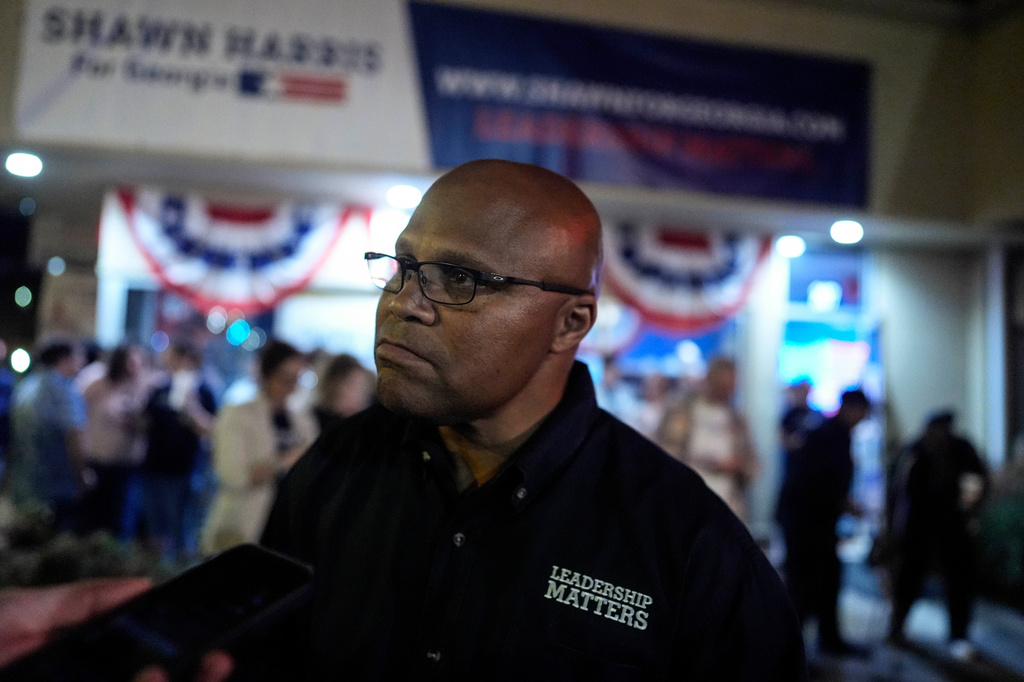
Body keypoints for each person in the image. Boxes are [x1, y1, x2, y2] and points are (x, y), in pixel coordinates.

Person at [258, 160, 806, 679]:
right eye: (404, 268)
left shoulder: (693, 550)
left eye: (457, 277)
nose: (404, 303)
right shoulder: (333, 470)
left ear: (570, 324)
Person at [884, 411, 989, 660]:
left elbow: (977, 481)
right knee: (909, 579)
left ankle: (958, 636)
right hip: (917, 529)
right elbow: (899, 490)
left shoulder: (961, 450)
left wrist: (970, 508)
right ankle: (897, 627)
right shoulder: (915, 451)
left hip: (953, 527)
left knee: (959, 583)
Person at [776, 388, 871, 656]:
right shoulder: (831, 434)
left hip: (809, 521)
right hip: (807, 524)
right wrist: (842, 504)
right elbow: (816, 482)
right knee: (806, 586)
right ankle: (792, 651)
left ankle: (820, 642)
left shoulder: (828, 432)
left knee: (823, 581)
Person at [200, 340, 317, 555]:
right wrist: (288, 460)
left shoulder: (302, 420)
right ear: (268, 373)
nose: (291, 386)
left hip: (290, 528)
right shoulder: (238, 413)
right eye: (286, 378)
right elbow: (233, 474)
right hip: (244, 526)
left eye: (297, 378)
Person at [656, 356, 760, 521]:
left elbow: (752, 464)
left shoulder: (737, 420)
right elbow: (663, 453)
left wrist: (738, 466)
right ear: (710, 380)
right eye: (721, 386)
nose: (726, 392)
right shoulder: (683, 411)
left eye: (730, 387)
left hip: (727, 504)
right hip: (687, 500)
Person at [141, 340, 217, 563]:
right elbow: (146, 422)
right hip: (153, 465)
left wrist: (191, 406)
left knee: (181, 529)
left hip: (183, 470)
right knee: (155, 527)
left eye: (172, 355)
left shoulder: (203, 391)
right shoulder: (160, 387)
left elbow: (210, 431)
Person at [7, 341, 88, 533]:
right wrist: (82, 473)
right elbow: (74, 434)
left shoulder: (27, 385)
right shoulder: (64, 391)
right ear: (64, 360)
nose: (82, 363)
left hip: (25, 482)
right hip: (56, 485)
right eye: (78, 358)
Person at [78, 343, 150, 540]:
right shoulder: (96, 381)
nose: (133, 367)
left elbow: (147, 424)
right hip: (96, 460)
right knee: (93, 518)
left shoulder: (143, 386)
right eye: (129, 362)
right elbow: (78, 419)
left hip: (126, 464)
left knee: (121, 520)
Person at [310, 352, 374, 433]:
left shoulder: (364, 426)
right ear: (333, 385)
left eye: (363, 388)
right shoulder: (310, 422)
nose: (360, 395)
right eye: (353, 385)